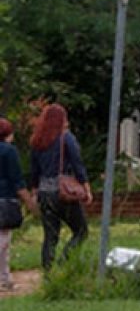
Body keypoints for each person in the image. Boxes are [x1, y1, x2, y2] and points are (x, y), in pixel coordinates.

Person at [29, 104, 92, 270]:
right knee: (80, 231)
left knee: (50, 235)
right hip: (63, 192)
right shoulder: (66, 138)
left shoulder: (37, 140)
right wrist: (86, 187)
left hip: (44, 192)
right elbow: (78, 163)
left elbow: (34, 170)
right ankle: (65, 262)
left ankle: (48, 273)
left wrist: (35, 191)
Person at [1, 118, 36, 292]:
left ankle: (6, 278)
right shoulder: (9, 151)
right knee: (3, 241)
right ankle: (5, 278)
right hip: (4, 200)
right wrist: (29, 202)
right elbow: (17, 180)